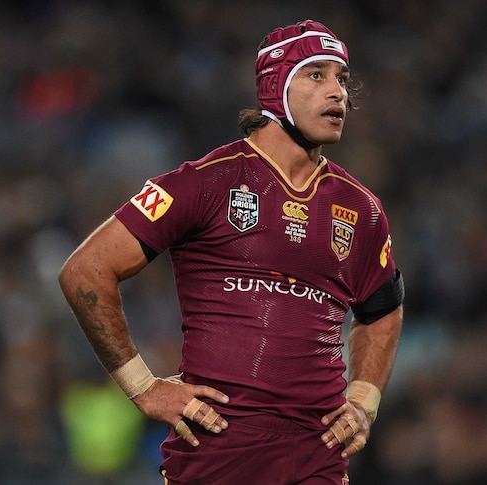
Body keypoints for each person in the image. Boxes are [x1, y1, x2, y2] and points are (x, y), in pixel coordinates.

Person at [59, 19, 404, 484]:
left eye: (342, 78)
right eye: (316, 75)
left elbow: (383, 310)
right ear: (274, 87)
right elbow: (86, 269)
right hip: (215, 458)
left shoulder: (361, 208)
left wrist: (364, 401)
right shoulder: (204, 182)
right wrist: (143, 388)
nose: (338, 92)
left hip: (316, 461)